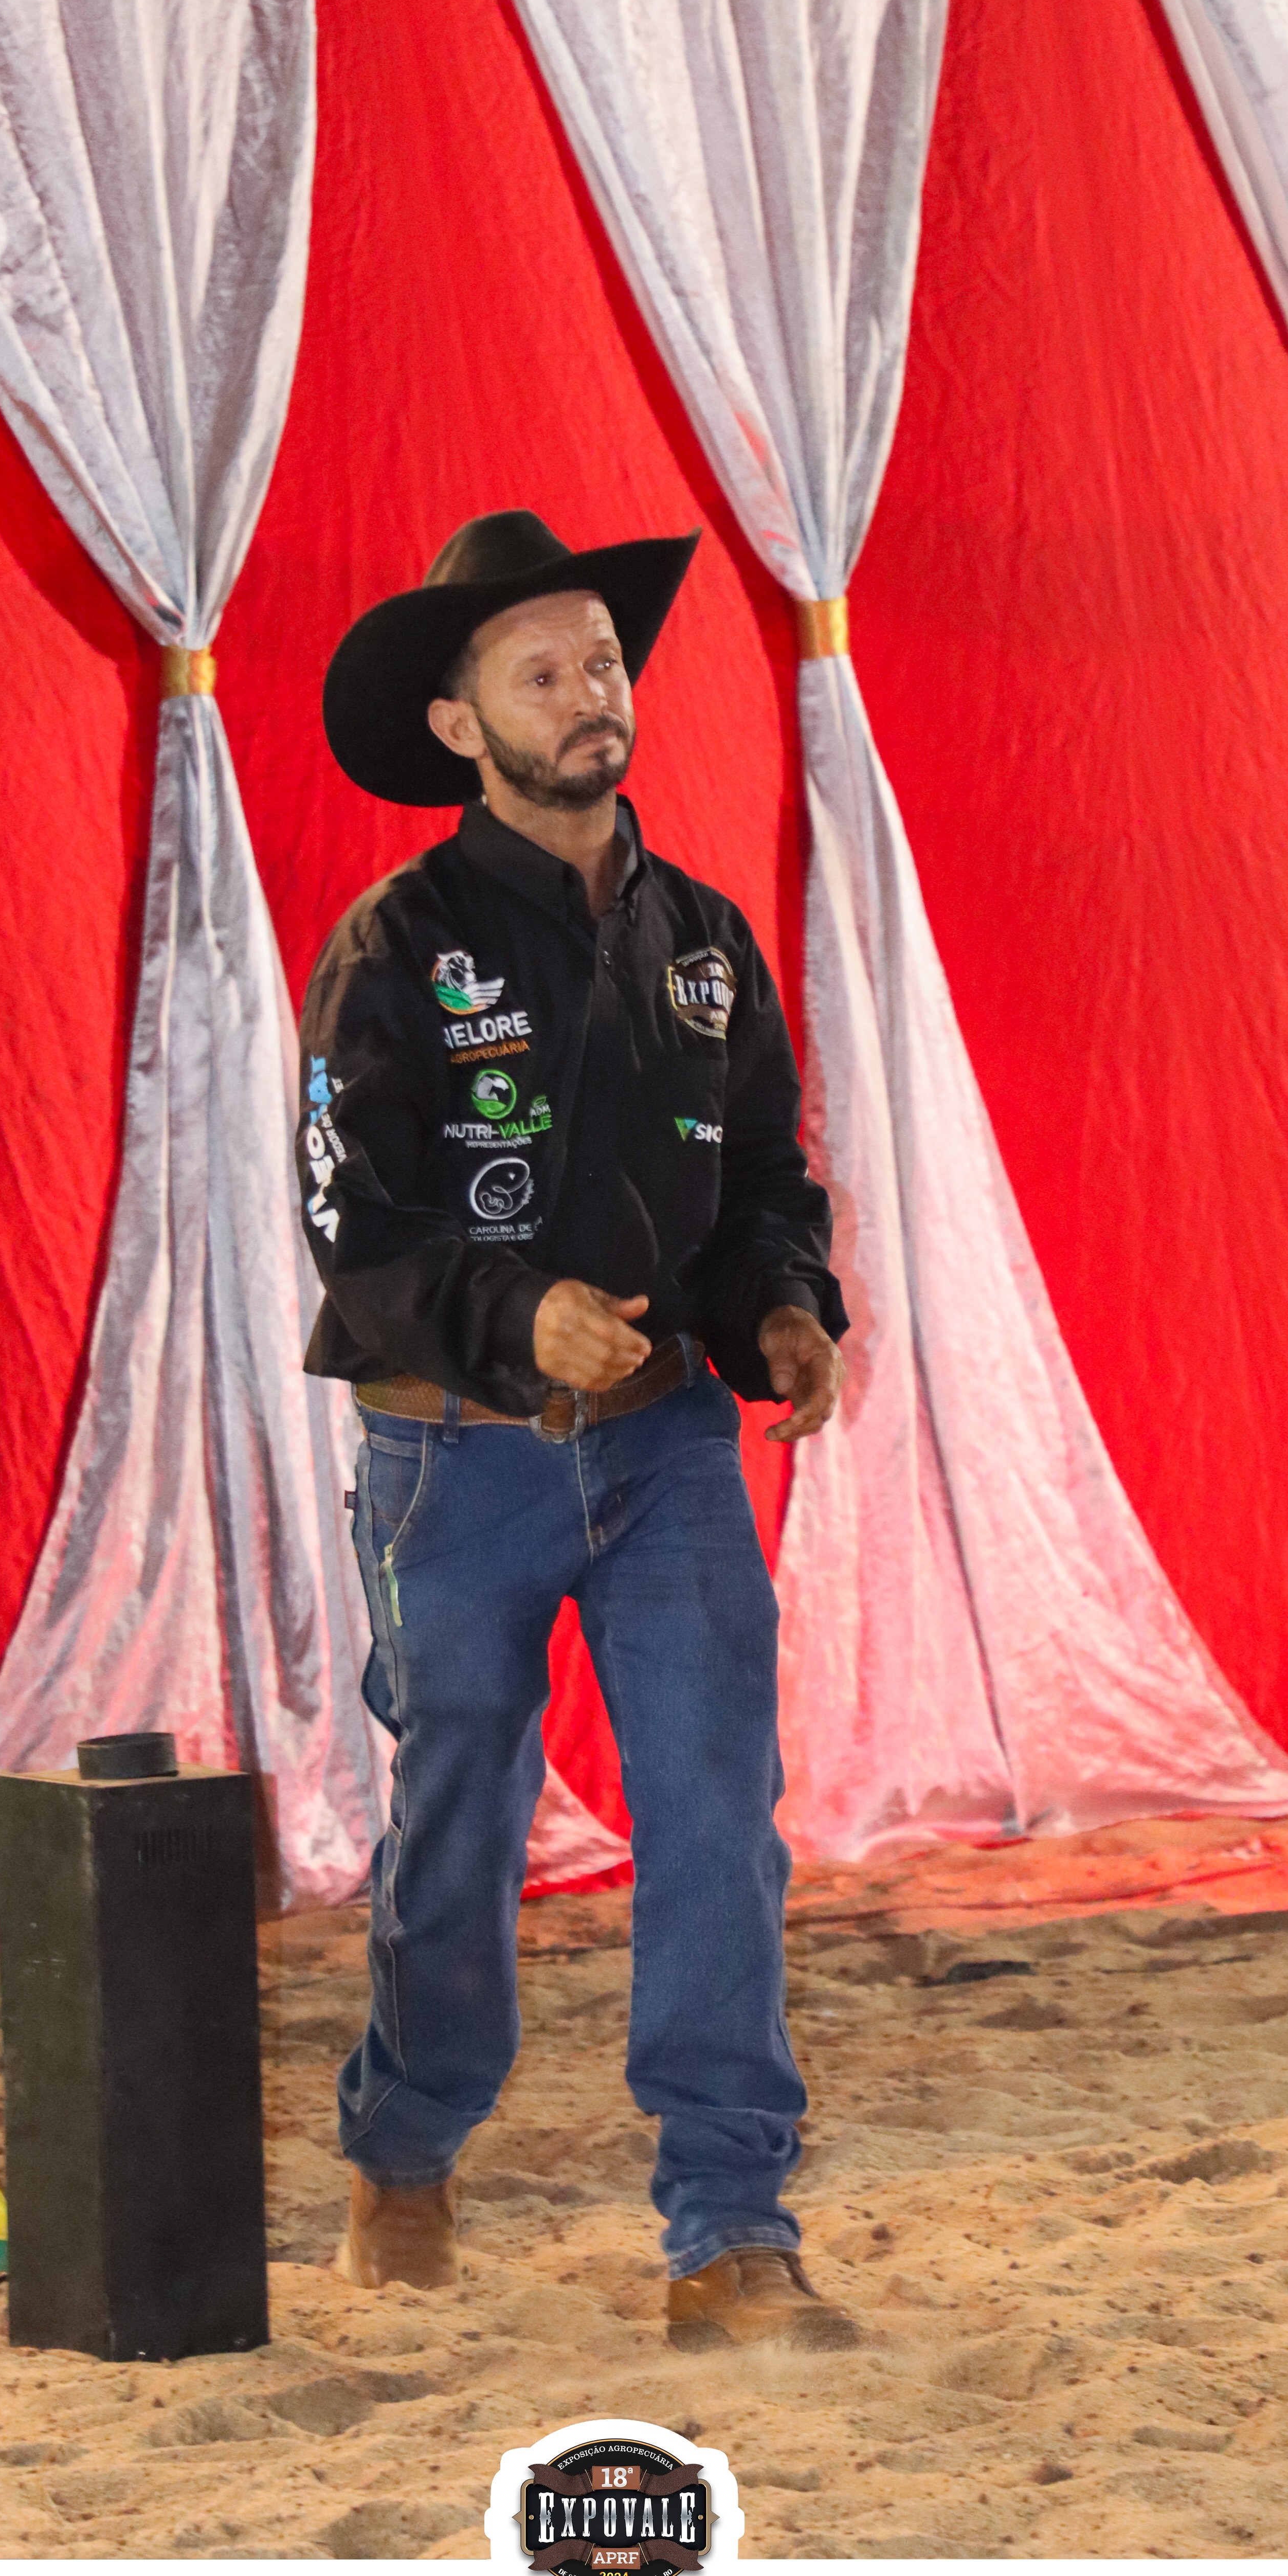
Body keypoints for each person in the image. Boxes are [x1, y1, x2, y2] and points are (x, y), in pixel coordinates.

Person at [297, 509, 853, 2352]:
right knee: (459, 1812)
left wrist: (785, 1310)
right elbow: (353, 1223)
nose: (588, 692)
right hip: (454, 1456)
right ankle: (405, 2149)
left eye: (603, 660)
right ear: (460, 725)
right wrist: (511, 1312)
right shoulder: (395, 944)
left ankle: (730, 2230)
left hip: (671, 1444)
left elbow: (764, 1181)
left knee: (716, 1810)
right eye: (541, 671)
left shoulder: (703, 941)